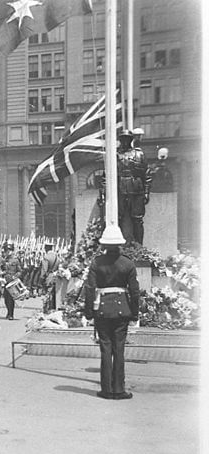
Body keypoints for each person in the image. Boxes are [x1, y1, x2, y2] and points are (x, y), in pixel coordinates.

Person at [84, 242, 140, 400]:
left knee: (106, 349)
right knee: (119, 349)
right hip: (122, 309)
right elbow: (134, 291)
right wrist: (134, 313)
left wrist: (88, 312)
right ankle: (119, 389)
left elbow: (90, 288)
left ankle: (107, 389)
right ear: (120, 245)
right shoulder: (127, 263)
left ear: (105, 246)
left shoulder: (97, 262)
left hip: (102, 309)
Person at [117, 129, 151, 245]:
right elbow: (106, 176)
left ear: (131, 140)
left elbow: (146, 174)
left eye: (127, 139)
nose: (125, 141)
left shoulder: (139, 154)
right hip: (120, 191)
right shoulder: (115, 155)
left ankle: (139, 246)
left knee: (137, 220)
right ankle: (119, 247)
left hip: (136, 190)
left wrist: (146, 192)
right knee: (118, 219)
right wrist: (103, 192)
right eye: (122, 139)